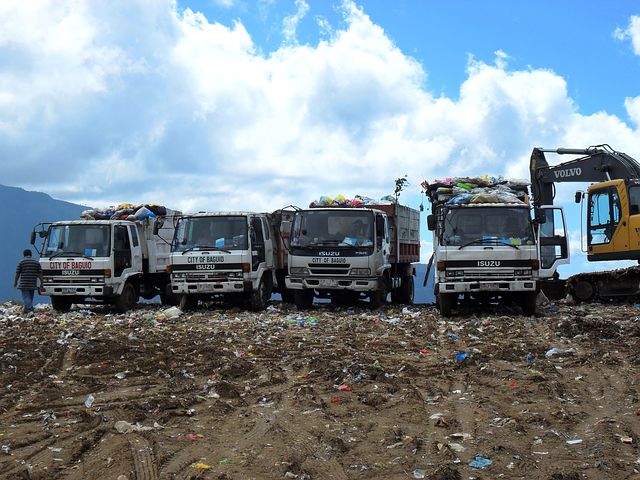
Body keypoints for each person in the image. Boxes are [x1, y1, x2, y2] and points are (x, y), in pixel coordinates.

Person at [14, 249, 43, 314]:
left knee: (26, 297)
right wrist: (42, 282)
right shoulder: (36, 262)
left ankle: (29, 310)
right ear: (31, 254)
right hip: (33, 283)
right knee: (30, 297)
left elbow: (18, 273)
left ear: (24, 255)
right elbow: (40, 273)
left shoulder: (21, 262)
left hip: (24, 283)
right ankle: (27, 310)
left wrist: (15, 282)